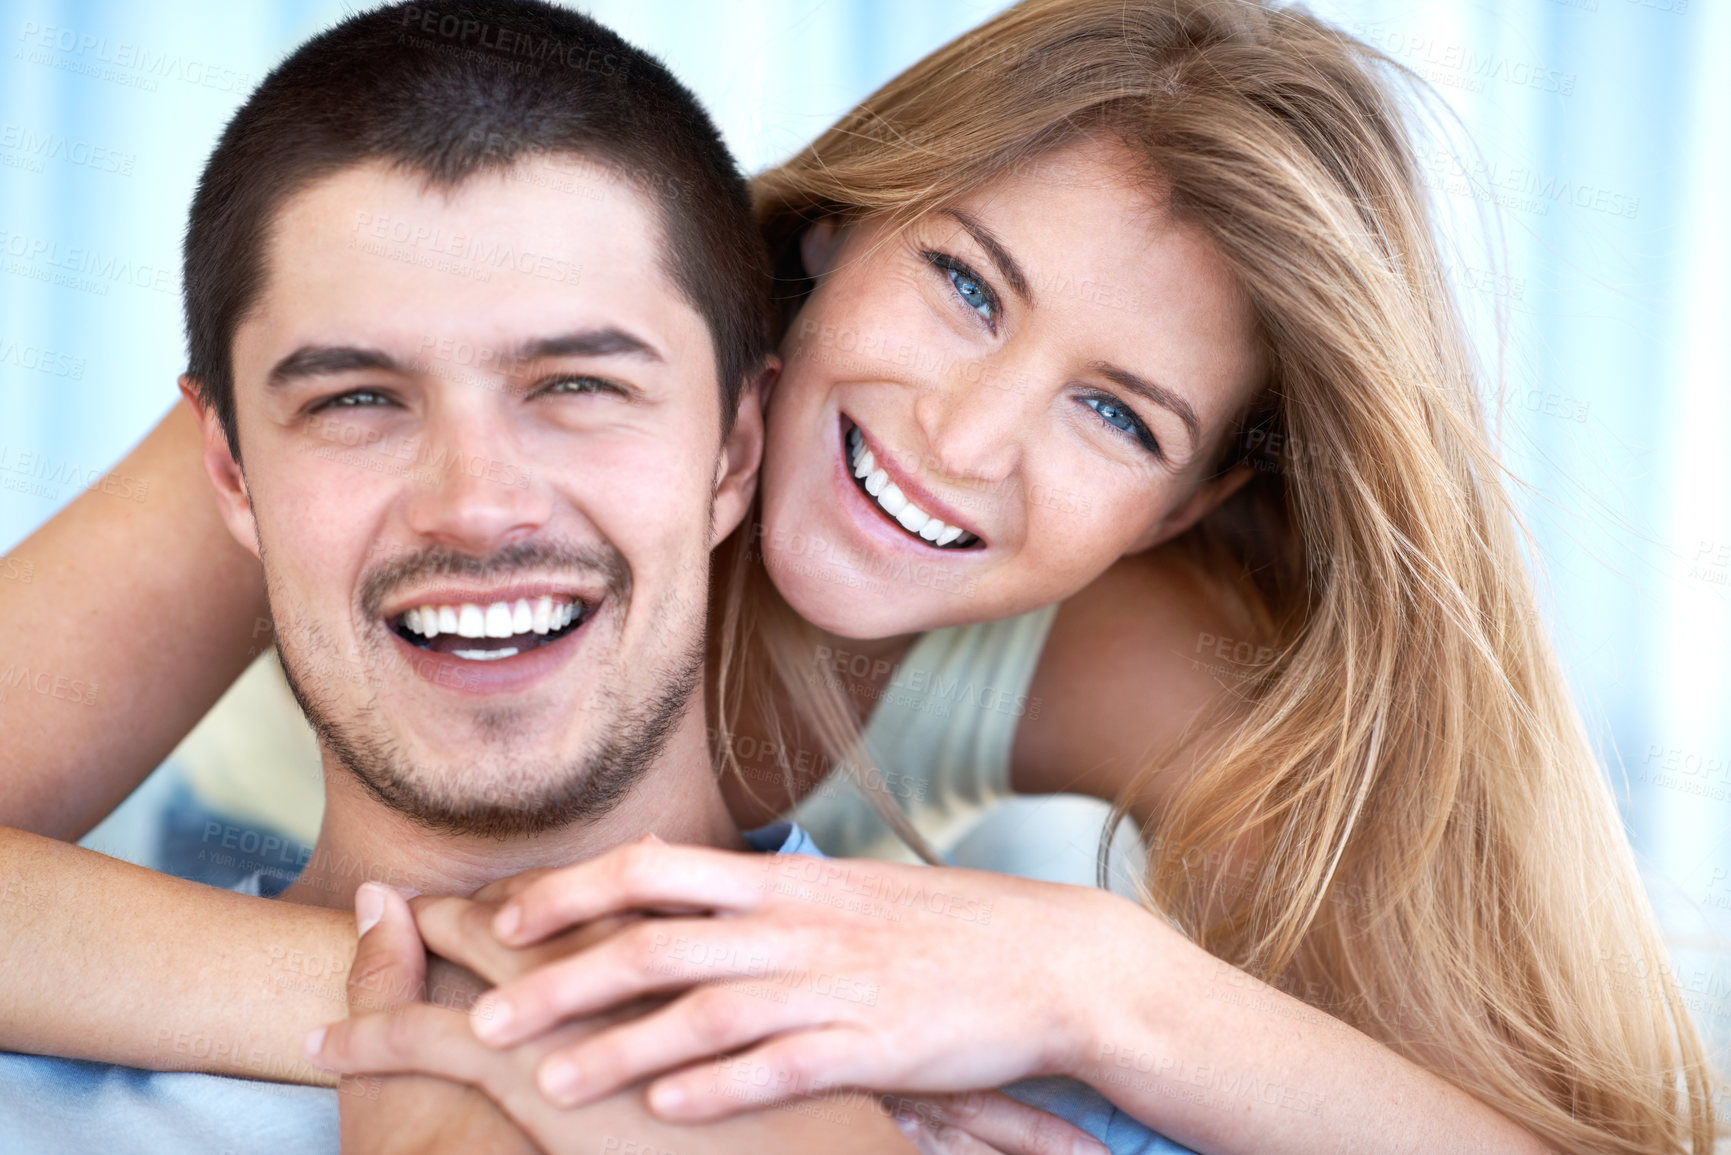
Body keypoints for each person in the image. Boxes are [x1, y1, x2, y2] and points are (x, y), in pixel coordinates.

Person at [0, 0, 1716, 1151]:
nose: (965, 439)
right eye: (969, 286)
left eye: (1116, 416)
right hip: (202, 936)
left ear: (1193, 501)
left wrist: (1091, 987)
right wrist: (462, 1002)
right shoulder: (453, 356)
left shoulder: (1110, 637)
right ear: (831, 233)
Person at [0, 4, 1140, 1153]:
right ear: (231, 474)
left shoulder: (1024, 1087)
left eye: (579, 385)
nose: (478, 503)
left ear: (737, 449)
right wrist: (513, 1012)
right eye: (356, 399)